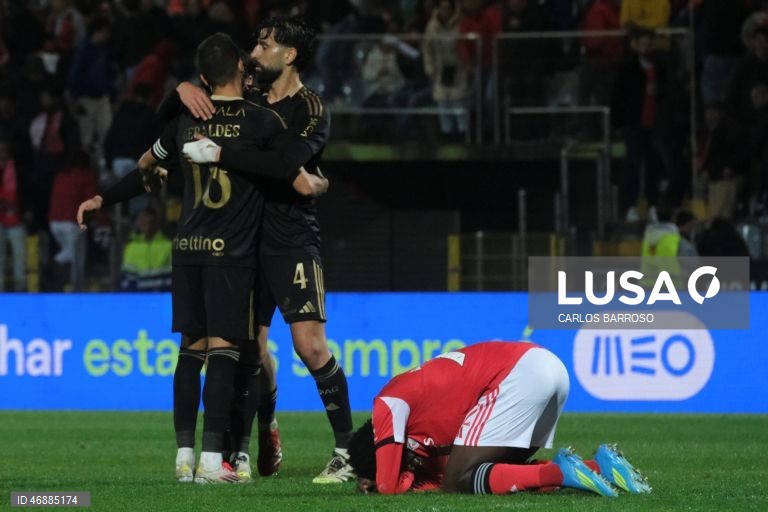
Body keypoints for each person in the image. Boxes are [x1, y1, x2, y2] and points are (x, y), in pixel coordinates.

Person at [77, 32, 325, 484]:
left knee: (190, 352)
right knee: (226, 351)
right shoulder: (261, 121)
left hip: (187, 248)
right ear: (239, 70)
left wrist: (101, 198)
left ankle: (184, 459)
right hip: (231, 253)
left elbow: (147, 167)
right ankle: (215, 460)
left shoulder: (184, 122)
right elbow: (288, 171)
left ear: (203, 78)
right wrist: (315, 182)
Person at [179, 16, 354, 483]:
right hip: (243, 239)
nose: (254, 53)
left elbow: (282, 162)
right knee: (249, 350)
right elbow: (196, 105)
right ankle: (257, 432)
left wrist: (222, 154)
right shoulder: (249, 98)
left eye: (264, 45)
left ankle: (348, 450)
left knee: (309, 346)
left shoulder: (311, 108)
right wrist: (182, 88)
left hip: (291, 237)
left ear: (289, 55)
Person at [348, 341, 651, 496]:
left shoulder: (385, 404)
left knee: (459, 479)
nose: (412, 465)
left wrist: (382, 481)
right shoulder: (419, 430)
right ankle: (601, 468)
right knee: (488, 473)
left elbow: (389, 486)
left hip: (518, 374)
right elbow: (435, 479)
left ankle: (559, 474)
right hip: (547, 368)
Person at [119, 206, 172, 291]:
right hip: (139, 296)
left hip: (163, 294)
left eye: (151, 223)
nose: (148, 227)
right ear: (139, 223)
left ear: (157, 224)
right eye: (144, 223)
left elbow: (174, 277)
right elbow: (127, 278)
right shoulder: (131, 247)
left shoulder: (168, 246)